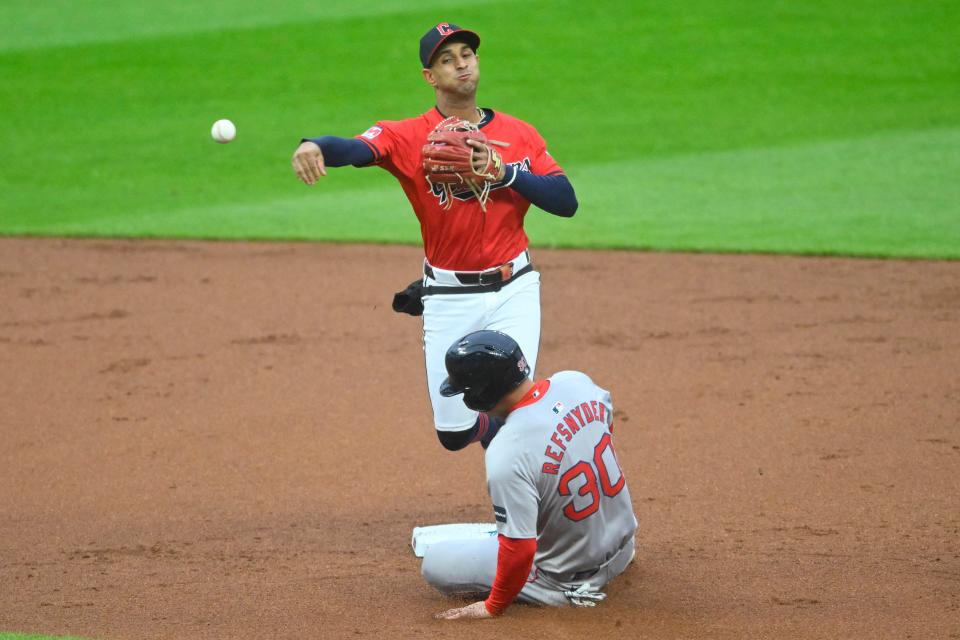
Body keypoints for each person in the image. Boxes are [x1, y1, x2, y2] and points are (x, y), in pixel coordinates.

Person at [291, 23, 578, 452]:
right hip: (448, 295)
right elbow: (354, 149)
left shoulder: (521, 135)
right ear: (430, 76)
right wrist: (314, 145)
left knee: (516, 410)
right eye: (447, 59)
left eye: (467, 54)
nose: (461, 63)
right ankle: (490, 432)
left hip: (514, 289)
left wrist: (505, 173)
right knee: (454, 434)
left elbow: (566, 200)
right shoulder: (406, 135)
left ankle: (517, 509)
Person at [421, 330, 637, 619]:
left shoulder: (507, 452)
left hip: (566, 581)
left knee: (434, 562)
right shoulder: (576, 382)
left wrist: (491, 606)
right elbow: (605, 429)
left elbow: (520, 549)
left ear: (481, 394)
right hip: (624, 550)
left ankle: (557, 587)